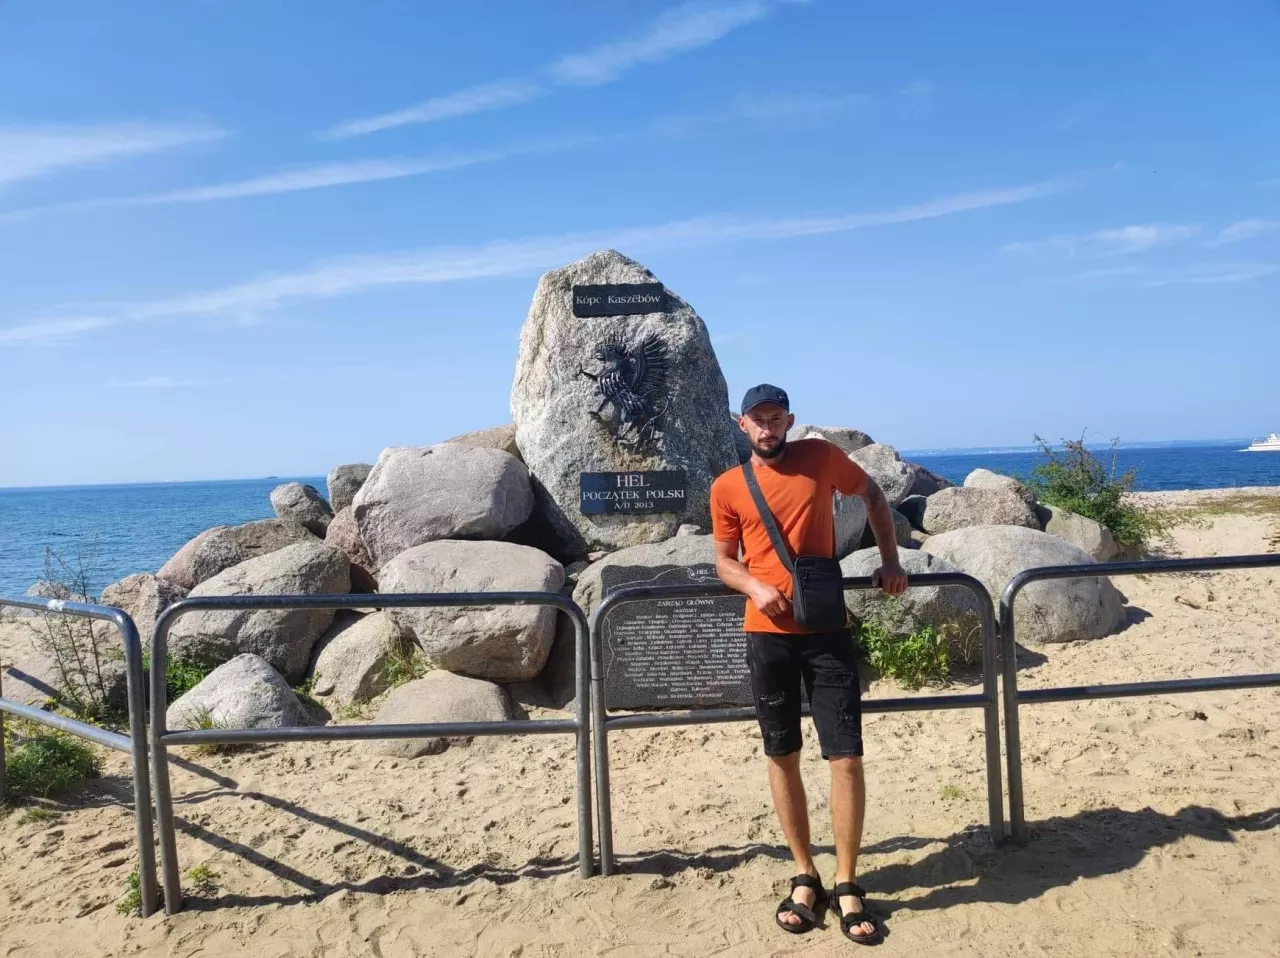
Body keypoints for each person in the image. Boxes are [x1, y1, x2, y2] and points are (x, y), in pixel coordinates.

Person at [710, 384, 907, 946]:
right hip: (766, 635)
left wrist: (890, 560)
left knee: (845, 756)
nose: (768, 427)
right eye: (758, 419)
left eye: (776, 418)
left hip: (826, 631)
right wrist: (754, 586)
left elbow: (873, 495)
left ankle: (847, 883)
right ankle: (805, 876)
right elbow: (724, 561)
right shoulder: (727, 486)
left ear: (790, 421)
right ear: (743, 425)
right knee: (782, 755)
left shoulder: (820, 457)